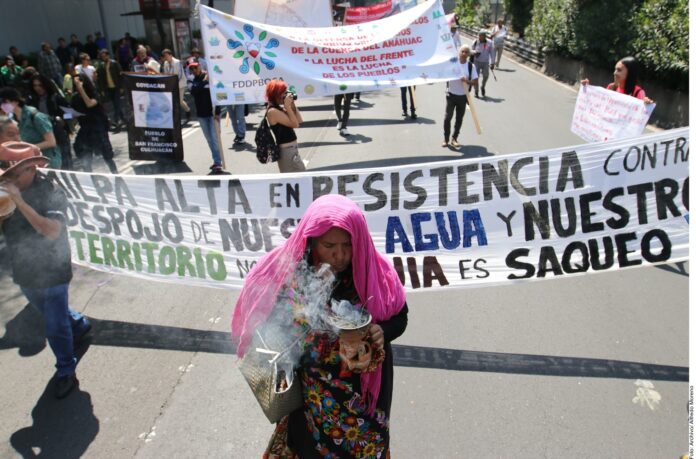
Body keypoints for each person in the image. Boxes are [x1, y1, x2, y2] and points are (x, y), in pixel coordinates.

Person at [232, 194, 408, 458]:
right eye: (329, 245)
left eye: (348, 245)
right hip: (312, 395)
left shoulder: (374, 272)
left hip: (361, 400)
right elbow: (268, 325)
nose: (340, 255)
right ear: (312, 239)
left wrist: (382, 331)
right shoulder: (289, 271)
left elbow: (401, 316)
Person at [0, 141, 91, 399]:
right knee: (50, 312)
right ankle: (79, 324)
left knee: (53, 325)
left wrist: (18, 201)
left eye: (13, 172)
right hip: (22, 267)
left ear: (30, 168)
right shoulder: (5, 189)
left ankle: (65, 370)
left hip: (52, 267)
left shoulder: (51, 191)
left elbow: (51, 232)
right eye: (4, 170)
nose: (8, 178)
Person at [0, 87, 60, 168]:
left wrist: (27, 149)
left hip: (48, 161)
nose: (2, 106)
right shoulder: (13, 120)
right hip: (31, 163)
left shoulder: (35, 116)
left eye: (5, 102)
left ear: (15, 101)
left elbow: (51, 142)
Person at [70, 73, 117, 173]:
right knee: (84, 154)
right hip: (85, 128)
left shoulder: (93, 93)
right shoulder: (75, 98)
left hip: (97, 127)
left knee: (107, 155)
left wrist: (81, 89)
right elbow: (71, 114)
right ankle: (91, 178)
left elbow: (89, 104)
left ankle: (116, 176)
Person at [26, 74, 73, 170]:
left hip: (59, 134)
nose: (38, 88)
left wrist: (61, 119)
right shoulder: (32, 101)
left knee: (66, 164)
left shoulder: (56, 98)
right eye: (35, 85)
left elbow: (71, 114)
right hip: (42, 136)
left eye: (40, 85)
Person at [188, 59, 227, 175]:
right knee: (209, 140)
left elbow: (218, 94)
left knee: (215, 139)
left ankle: (218, 162)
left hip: (212, 114)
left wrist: (218, 112)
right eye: (191, 68)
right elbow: (193, 91)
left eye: (195, 67)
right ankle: (216, 160)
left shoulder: (211, 77)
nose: (194, 70)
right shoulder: (191, 80)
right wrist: (204, 82)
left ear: (200, 66)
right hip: (201, 115)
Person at [265, 79, 306, 173]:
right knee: (300, 180)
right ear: (275, 94)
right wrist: (287, 107)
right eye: (283, 93)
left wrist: (292, 105)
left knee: (299, 181)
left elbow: (299, 120)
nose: (285, 95)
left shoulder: (279, 108)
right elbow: (295, 124)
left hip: (292, 150)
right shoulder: (272, 111)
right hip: (287, 152)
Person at [443, 44, 478, 148]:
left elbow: (475, 82)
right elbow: (443, 73)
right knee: (447, 117)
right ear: (459, 52)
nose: (463, 54)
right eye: (462, 51)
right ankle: (446, 139)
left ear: (468, 54)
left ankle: (454, 138)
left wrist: (466, 81)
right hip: (451, 94)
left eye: (466, 52)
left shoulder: (471, 66)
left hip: (463, 96)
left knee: (459, 118)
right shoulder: (452, 63)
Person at [581, 56, 655, 104]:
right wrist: (587, 90)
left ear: (630, 73)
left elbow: (641, 119)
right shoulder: (611, 87)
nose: (615, 73)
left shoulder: (638, 92)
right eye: (615, 69)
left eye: (619, 70)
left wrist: (646, 105)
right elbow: (600, 105)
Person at [96, 49, 125, 130]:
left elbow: (120, 75)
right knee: (115, 104)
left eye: (105, 56)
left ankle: (116, 120)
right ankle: (123, 118)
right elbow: (100, 79)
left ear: (108, 55)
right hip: (109, 88)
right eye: (102, 56)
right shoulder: (102, 66)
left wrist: (122, 86)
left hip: (116, 87)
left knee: (117, 104)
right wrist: (102, 89)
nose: (104, 57)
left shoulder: (114, 63)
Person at [161, 49, 191, 123]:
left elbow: (180, 74)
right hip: (171, 85)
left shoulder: (177, 62)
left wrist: (174, 82)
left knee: (179, 100)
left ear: (170, 55)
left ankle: (188, 110)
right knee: (173, 100)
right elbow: (166, 74)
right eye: (164, 56)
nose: (166, 58)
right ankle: (176, 117)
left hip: (180, 84)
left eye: (167, 56)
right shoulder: (165, 63)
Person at [471, 29, 495, 98]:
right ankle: (476, 91)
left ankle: (483, 86)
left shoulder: (490, 43)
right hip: (476, 62)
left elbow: (492, 53)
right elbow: (471, 51)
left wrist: (492, 63)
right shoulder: (475, 42)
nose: (481, 37)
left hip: (485, 62)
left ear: (485, 36)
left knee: (486, 76)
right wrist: (475, 53)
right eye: (480, 35)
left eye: (483, 36)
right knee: (476, 77)